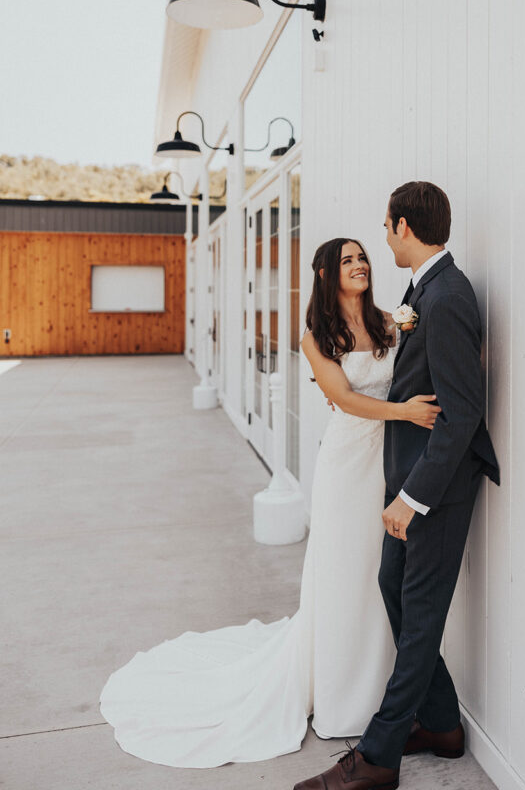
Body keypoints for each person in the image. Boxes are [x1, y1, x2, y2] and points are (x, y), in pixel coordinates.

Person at [99, 236, 440, 768]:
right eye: (347, 260)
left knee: (382, 576)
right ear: (327, 274)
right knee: (343, 572)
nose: (360, 265)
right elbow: (347, 399)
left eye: (363, 257)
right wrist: (407, 413)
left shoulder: (391, 322)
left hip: (391, 463)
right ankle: (341, 696)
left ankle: (382, 690)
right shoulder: (315, 337)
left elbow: (405, 374)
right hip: (348, 466)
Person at [294, 182, 500, 790]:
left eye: (383, 231)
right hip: (393, 474)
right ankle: (439, 723)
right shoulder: (421, 292)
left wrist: (412, 499)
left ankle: (380, 754)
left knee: (420, 613)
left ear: (404, 226)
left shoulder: (445, 297)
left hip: (432, 487)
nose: (378, 245)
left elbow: (461, 413)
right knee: (393, 586)